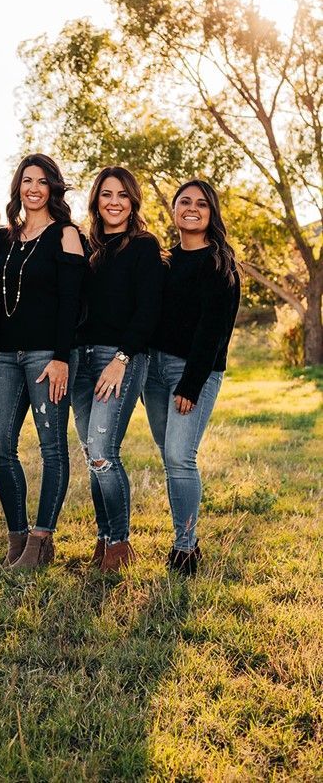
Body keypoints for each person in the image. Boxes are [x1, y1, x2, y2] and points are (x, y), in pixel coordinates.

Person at [0, 153, 85, 570]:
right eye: (27, 181)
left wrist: (62, 358)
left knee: (51, 448)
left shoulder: (66, 234)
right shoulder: (6, 238)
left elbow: (72, 303)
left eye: (42, 181)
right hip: (6, 358)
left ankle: (41, 541)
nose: (34, 188)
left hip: (48, 357)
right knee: (0, 447)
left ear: (53, 188)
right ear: (18, 188)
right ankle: (18, 539)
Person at [143, 180, 240, 576]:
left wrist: (191, 383)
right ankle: (186, 539)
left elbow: (215, 331)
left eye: (201, 204)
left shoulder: (220, 264)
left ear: (211, 213)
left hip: (193, 373)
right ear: (174, 210)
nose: (192, 208)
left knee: (180, 456)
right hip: (153, 372)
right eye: (185, 201)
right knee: (170, 456)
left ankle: (185, 548)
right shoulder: (164, 261)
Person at [71, 167, 164, 573]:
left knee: (104, 452)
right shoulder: (85, 245)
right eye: (107, 194)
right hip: (81, 359)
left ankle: (120, 545)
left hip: (120, 359)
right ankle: (104, 539)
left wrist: (121, 359)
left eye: (122, 195)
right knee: (92, 453)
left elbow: (149, 309)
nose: (114, 202)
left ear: (133, 201)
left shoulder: (143, 245)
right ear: (96, 200)